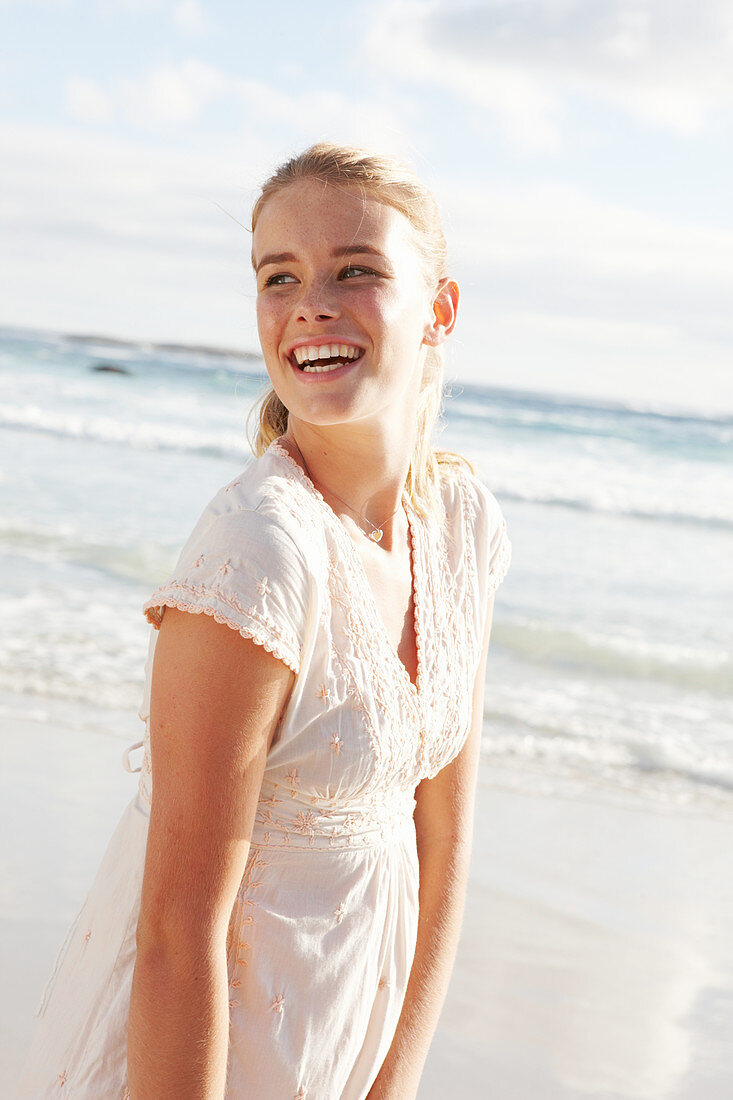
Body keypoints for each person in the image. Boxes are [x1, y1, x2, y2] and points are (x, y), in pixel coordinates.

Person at [17, 142, 511, 1099]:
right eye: (277, 277)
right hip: (201, 1061)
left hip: (346, 1043)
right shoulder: (258, 549)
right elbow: (175, 933)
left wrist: (393, 1082)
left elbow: (444, 842)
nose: (309, 305)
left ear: (439, 311)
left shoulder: (458, 527)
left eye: (355, 271)